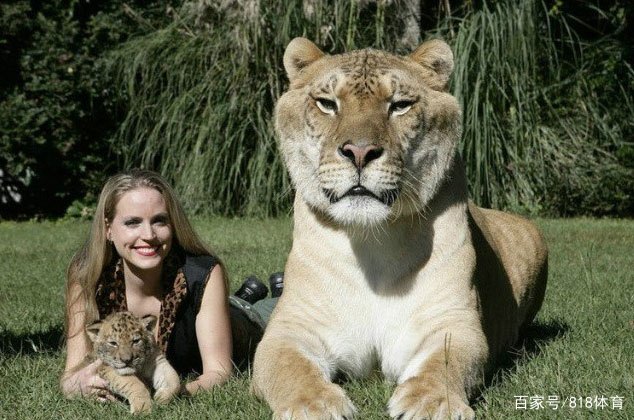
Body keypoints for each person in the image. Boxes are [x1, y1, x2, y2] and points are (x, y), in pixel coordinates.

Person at [60, 169, 279, 400]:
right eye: (132, 222)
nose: (148, 235)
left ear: (172, 225)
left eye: (159, 221)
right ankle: (249, 292)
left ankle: (266, 295)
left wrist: (175, 394)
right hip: (217, 307)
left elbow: (219, 372)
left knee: (279, 309)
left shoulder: (202, 273)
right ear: (108, 229)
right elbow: (71, 375)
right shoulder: (87, 276)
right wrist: (80, 385)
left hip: (245, 320)